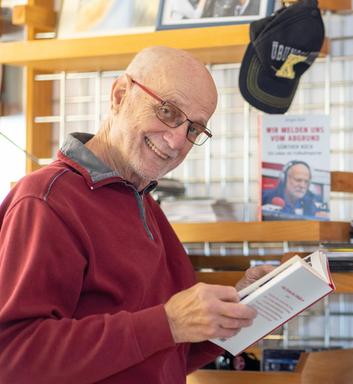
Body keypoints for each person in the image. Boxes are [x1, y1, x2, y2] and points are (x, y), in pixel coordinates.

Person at [0, 46, 274, 383]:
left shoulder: (143, 202)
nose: (176, 141)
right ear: (119, 95)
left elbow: (161, 354)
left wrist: (238, 311)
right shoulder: (47, 201)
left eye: (193, 129)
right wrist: (167, 323)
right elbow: (12, 356)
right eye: (168, 111)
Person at [262, 160, 327, 218]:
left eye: (306, 182)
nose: (302, 185)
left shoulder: (309, 203)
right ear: (284, 179)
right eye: (298, 180)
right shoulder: (265, 197)